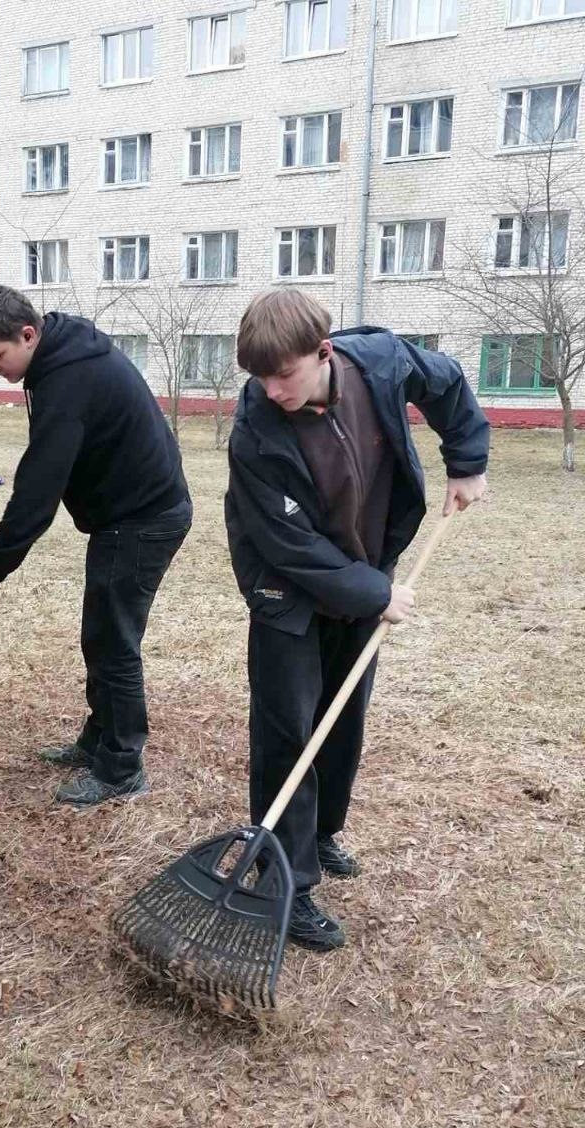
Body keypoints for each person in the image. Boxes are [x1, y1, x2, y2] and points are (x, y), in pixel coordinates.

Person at [225, 288, 488, 951]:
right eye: (259, 377)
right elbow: (286, 544)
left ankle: (320, 833)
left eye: (283, 374)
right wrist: (374, 595)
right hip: (287, 589)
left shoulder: (380, 363)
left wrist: (467, 459)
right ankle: (287, 880)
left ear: (323, 353)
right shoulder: (255, 429)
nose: (271, 390)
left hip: (368, 563)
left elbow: (448, 382)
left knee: (344, 712)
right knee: (288, 730)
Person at [0, 285, 192, 808]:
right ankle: (99, 739)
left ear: (28, 335)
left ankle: (122, 767)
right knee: (100, 636)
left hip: (144, 518)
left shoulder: (68, 379)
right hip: (124, 515)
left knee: (115, 641)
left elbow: (36, 493)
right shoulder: (60, 358)